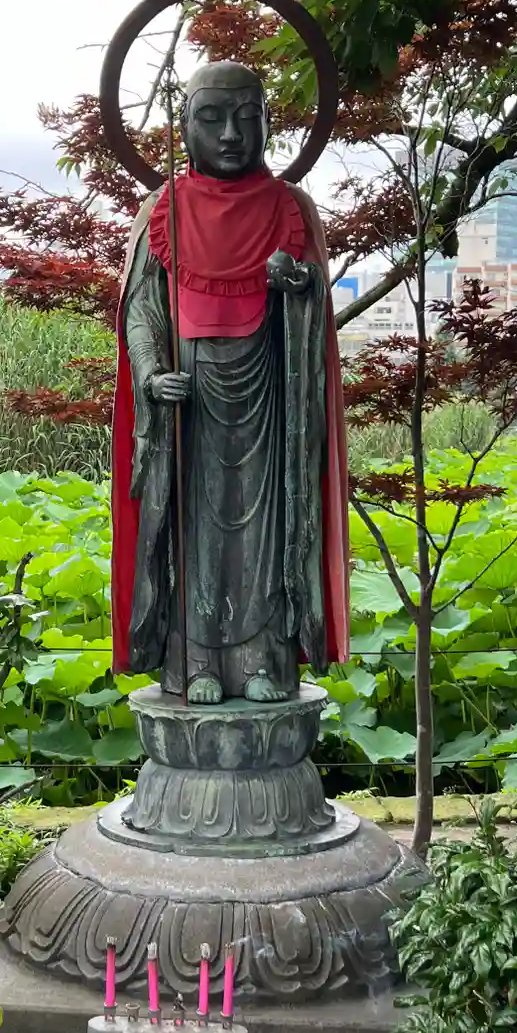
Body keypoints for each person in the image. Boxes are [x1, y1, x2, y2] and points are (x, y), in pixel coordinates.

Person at [111, 61, 350, 703]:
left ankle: (262, 659)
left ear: (268, 124)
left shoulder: (290, 207)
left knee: (265, 529)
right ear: (185, 125)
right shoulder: (164, 209)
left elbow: (314, 310)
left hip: (269, 394)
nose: (230, 136)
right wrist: (151, 372)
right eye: (211, 119)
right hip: (188, 404)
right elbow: (141, 308)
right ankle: (194, 663)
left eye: (247, 119)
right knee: (194, 533)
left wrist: (298, 287)